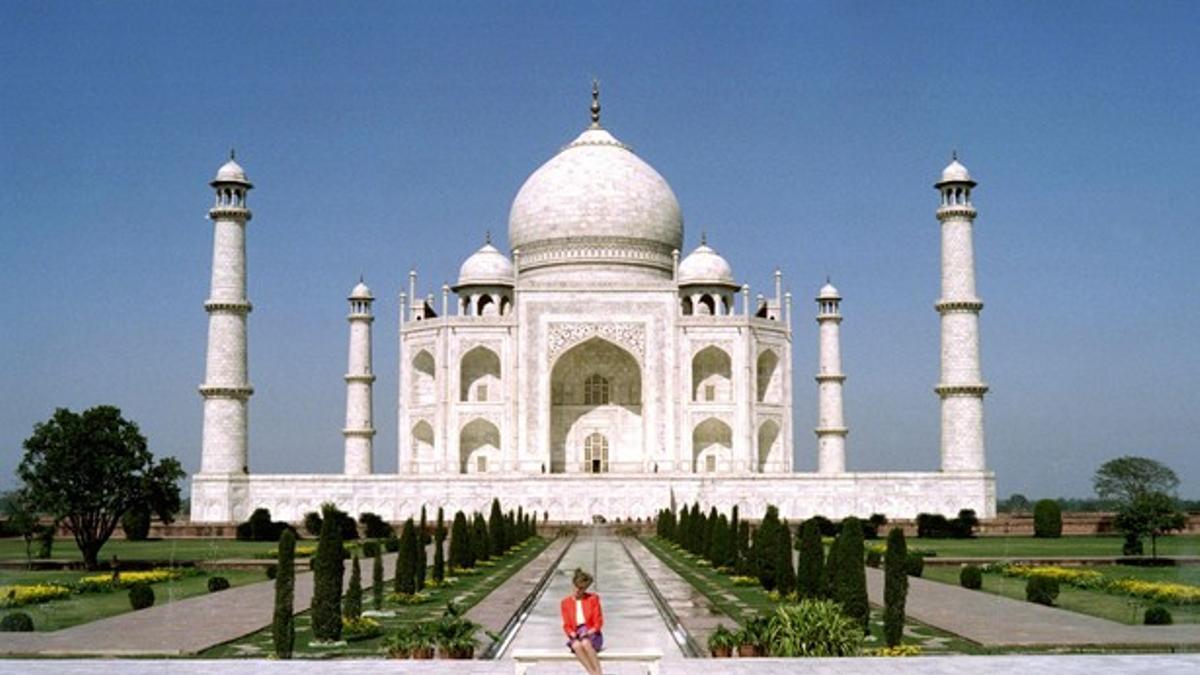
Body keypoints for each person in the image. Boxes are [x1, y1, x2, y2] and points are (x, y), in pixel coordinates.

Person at [560, 567, 604, 675]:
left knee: (585, 642)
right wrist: (572, 633)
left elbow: (599, 622)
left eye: (581, 589)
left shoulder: (593, 599)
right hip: (577, 634)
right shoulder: (565, 603)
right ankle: (592, 673)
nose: (577, 591)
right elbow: (566, 625)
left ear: (585, 589)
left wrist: (589, 632)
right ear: (573, 585)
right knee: (576, 645)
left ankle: (598, 673)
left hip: (592, 633)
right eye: (576, 587)